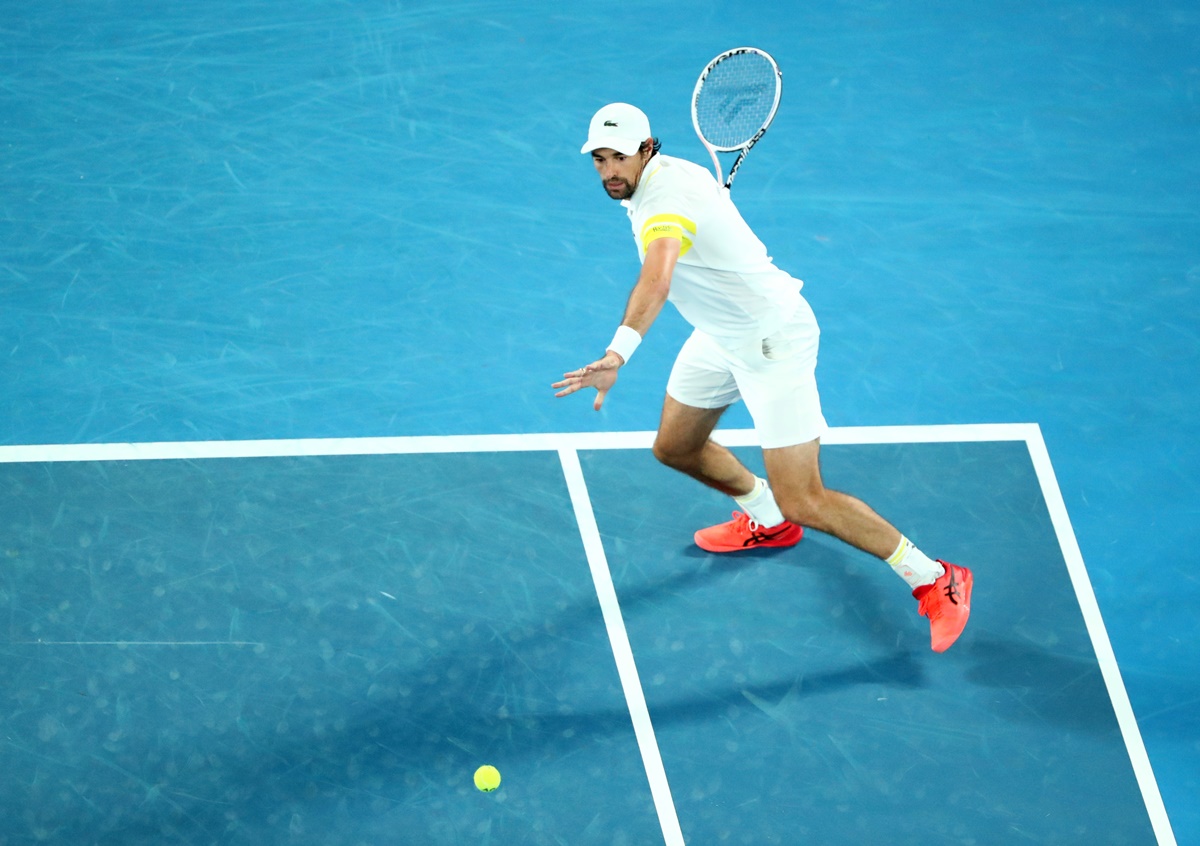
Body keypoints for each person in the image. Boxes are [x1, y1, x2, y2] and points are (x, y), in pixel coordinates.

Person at [553, 103, 972, 652]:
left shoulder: (666, 198)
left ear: (648, 149)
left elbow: (657, 277)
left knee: (807, 498)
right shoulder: (675, 175)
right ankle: (767, 517)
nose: (609, 170)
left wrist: (618, 353)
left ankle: (935, 577)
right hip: (722, 334)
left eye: (619, 157)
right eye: (600, 159)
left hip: (773, 340)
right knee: (676, 447)